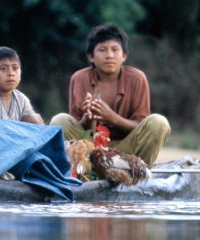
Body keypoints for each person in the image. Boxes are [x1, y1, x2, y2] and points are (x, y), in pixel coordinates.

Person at [49, 23, 170, 166]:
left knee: (159, 122)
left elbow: (141, 125)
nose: (109, 55)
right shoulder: (79, 78)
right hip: (91, 151)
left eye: (115, 49)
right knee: (60, 121)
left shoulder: (137, 78)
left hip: (127, 152)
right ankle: (86, 170)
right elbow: (75, 128)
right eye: (102, 50)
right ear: (91, 57)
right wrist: (87, 119)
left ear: (124, 56)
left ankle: (136, 171)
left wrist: (112, 118)